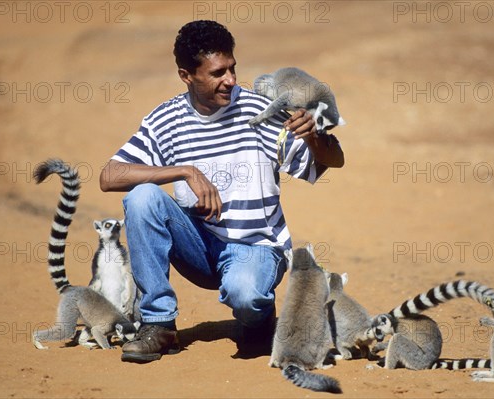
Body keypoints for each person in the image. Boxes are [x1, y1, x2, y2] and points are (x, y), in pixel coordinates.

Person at [100, 20, 344, 363]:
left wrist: (315, 136)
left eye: (232, 68)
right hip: (199, 248)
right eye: (217, 73)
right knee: (142, 197)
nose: (230, 80)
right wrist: (185, 171)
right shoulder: (166, 120)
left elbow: (334, 160)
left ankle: (257, 317)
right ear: (187, 75)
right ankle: (158, 324)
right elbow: (110, 175)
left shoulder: (257, 110)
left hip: (255, 246)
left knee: (245, 295)